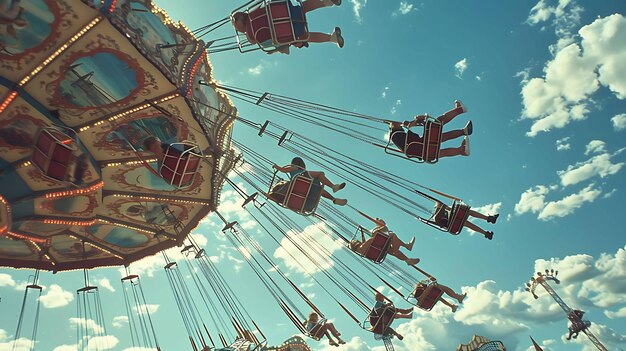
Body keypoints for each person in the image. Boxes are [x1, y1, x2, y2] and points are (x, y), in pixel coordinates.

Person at [231, 0, 344, 54]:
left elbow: (271, 43)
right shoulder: (253, 13)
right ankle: (328, 2)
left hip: (292, 32)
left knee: (305, 37)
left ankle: (332, 38)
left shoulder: (252, 37)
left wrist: (279, 49)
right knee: (304, 7)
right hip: (287, 11)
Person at [388, 100, 472, 159]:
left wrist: (416, 122)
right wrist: (417, 121)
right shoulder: (395, 135)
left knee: (441, 140)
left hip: (425, 154)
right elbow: (406, 126)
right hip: (423, 145)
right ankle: (459, 110)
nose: (400, 123)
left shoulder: (400, 138)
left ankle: (461, 149)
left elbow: (412, 131)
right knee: (437, 122)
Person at [272, 157, 348, 207]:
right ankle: (333, 187)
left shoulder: (298, 169)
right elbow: (283, 170)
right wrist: (276, 166)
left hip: (304, 185)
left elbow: (283, 170)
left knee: (319, 189)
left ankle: (334, 199)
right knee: (320, 174)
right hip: (301, 179)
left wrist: (277, 167)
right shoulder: (294, 168)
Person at [349, 217, 419, 266]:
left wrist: (364, 234)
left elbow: (368, 245)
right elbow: (371, 240)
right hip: (378, 249)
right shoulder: (361, 248)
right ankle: (406, 246)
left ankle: (407, 259)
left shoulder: (360, 250)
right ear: (355, 244)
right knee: (392, 235)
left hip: (378, 252)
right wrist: (377, 231)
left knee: (393, 251)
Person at [431, 201, 498, 240]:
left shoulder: (438, 217)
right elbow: (444, 208)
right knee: (468, 213)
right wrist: (440, 206)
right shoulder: (437, 217)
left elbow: (446, 209)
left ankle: (486, 232)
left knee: (468, 224)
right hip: (452, 222)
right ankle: (488, 219)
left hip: (454, 223)